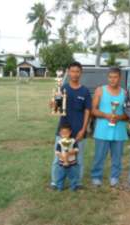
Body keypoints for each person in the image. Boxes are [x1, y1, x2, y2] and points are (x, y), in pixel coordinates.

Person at [50, 61, 91, 189]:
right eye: (72, 71)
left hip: (79, 132)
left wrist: (83, 129)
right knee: (58, 158)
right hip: (63, 132)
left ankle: (77, 183)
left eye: (77, 71)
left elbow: (87, 111)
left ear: (81, 73)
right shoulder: (62, 88)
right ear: (69, 72)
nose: (75, 74)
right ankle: (55, 182)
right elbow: (56, 109)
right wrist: (52, 105)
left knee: (78, 159)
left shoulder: (85, 91)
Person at [90, 67, 128, 187]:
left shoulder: (125, 93)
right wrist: (106, 115)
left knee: (117, 156)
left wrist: (119, 117)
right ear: (108, 77)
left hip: (119, 130)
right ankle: (96, 177)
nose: (113, 80)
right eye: (110, 77)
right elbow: (93, 110)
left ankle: (114, 177)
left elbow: (128, 114)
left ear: (120, 78)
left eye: (115, 77)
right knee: (99, 156)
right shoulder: (100, 91)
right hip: (102, 130)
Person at [55, 124, 79, 191]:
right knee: (60, 176)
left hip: (72, 162)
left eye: (66, 133)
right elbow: (57, 152)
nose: (65, 135)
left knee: (73, 176)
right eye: (63, 133)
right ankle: (59, 187)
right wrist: (64, 160)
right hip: (62, 163)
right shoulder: (59, 142)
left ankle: (73, 187)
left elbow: (77, 150)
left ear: (70, 132)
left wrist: (70, 152)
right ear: (60, 133)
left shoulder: (73, 141)